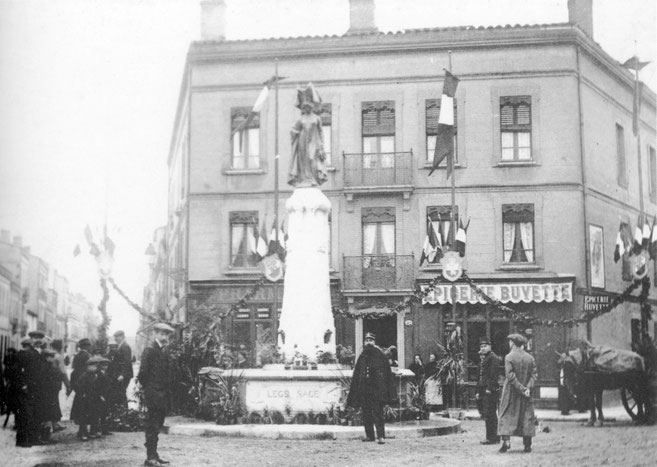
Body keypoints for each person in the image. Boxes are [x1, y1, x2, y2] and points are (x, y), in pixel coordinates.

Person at [346, 332, 395, 445]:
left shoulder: (380, 355)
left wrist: (385, 390)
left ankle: (381, 436)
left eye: (370, 340)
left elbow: (387, 373)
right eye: (366, 340)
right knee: (366, 413)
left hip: (376, 391)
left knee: (378, 413)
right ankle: (370, 436)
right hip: (364, 390)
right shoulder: (362, 356)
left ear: (374, 342)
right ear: (364, 342)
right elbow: (357, 374)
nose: (368, 342)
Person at [138, 322, 175, 466]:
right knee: (152, 425)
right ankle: (150, 457)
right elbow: (142, 374)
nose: (164, 336)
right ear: (155, 334)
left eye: (166, 334)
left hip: (162, 394)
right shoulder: (150, 350)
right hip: (154, 394)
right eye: (161, 333)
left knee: (157, 424)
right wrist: (150, 389)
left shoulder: (162, 350)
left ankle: (154, 454)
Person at [497, 333, 538, 453]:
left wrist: (520, 388)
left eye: (510, 342)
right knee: (527, 417)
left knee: (506, 414)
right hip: (526, 393)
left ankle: (506, 442)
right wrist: (527, 388)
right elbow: (534, 375)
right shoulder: (530, 358)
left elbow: (510, 376)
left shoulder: (509, 357)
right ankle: (527, 445)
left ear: (513, 343)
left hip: (511, 392)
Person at [288, 82, 328, 188]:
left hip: (314, 141)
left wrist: (322, 145)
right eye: (305, 106)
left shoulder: (317, 118)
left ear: (312, 106)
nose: (307, 108)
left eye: (309, 106)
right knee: (304, 161)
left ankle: (312, 178)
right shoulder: (301, 119)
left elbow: (321, 132)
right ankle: (305, 179)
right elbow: (294, 130)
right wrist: (293, 132)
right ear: (303, 107)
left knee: (312, 159)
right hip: (302, 142)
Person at [475, 337, 502, 445]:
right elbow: (480, 376)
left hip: (489, 390)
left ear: (490, 347)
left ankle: (492, 437)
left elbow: (493, 375)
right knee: (487, 413)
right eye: (481, 346)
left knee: (490, 413)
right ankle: (491, 436)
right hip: (483, 389)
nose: (483, 348)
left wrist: (489, 389)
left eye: (485, 346)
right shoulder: (485, 358)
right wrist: (478, 391)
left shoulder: (493, 358)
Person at [50, 339, 70, 432]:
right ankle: (55, 424)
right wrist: (68, 385)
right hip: (55, 382)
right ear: (60, 347)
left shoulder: (50, 355)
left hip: (48, 381)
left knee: (51, 402)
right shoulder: (59, 356)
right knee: (54, 402)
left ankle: (52, 424)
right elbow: (63, 372)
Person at [113, 330, 134, 409]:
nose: (115, 339)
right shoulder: (121, 346)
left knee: (121, 392)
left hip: (124, 375)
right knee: (120, 392)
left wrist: (122, 375)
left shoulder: (125, 346)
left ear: (122, 337)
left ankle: (124, 411)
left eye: (116, 337)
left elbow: (127, 362)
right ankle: (122, 411)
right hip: (122, 374)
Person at [3, 347, 20, 429]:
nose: (9, 353)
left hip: (15, 386)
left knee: (15, 405)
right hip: (11, 385)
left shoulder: (15, 362)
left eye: (10, 352)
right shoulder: (8, 360)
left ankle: (16, 423)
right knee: (10, 403)